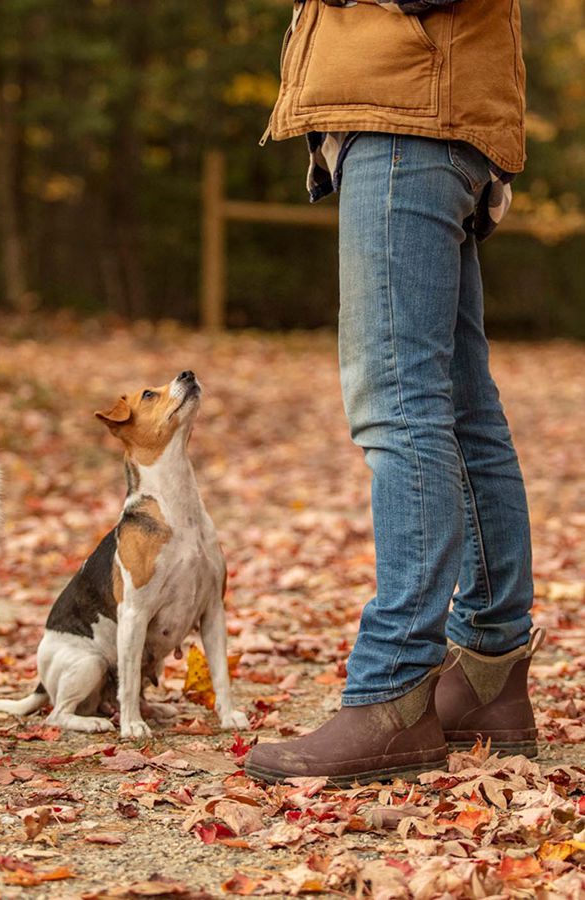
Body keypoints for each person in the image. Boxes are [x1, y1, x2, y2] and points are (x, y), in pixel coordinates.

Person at [245, 0, 541, 786]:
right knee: (459, 407)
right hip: (431, 113)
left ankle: (393, 691)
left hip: (410, 117)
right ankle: (487, 673)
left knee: (399, 405)